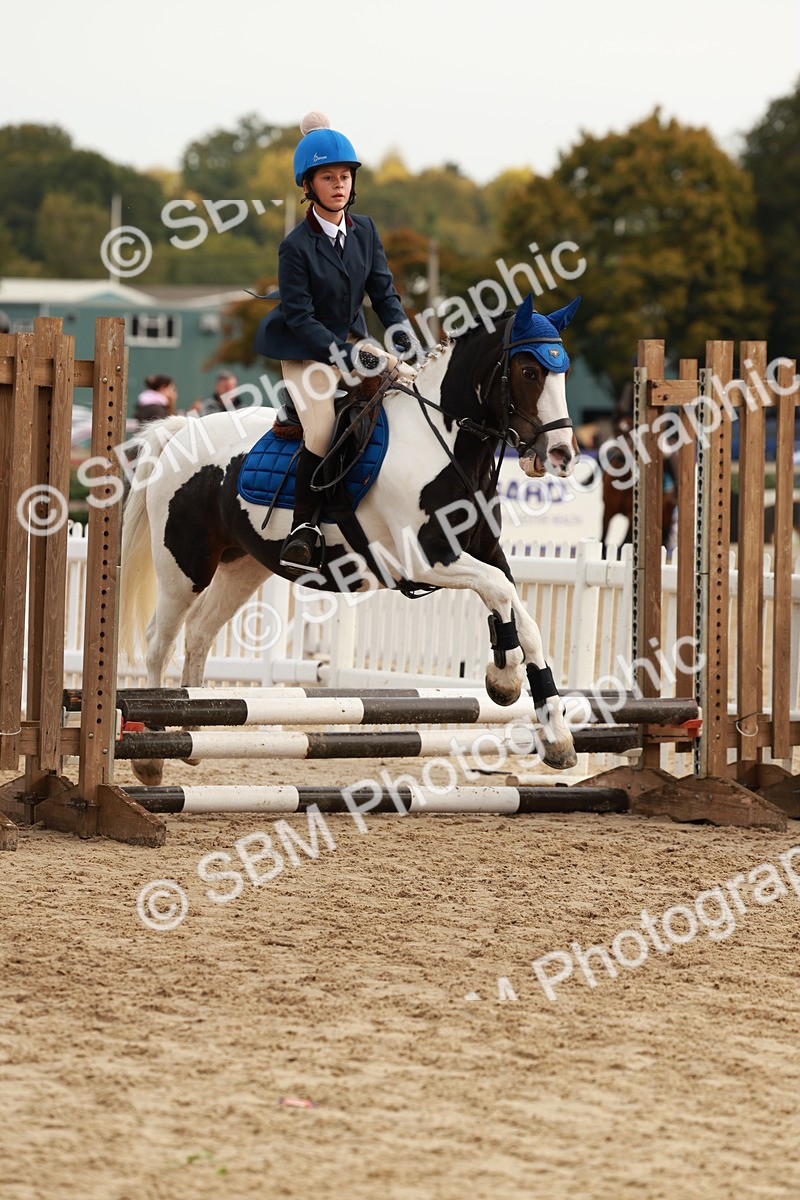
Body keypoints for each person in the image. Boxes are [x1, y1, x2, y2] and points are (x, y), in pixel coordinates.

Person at [254, 111, 417, 572]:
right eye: (328, 177)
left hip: (352, 342)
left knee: (409, 387)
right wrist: (345, 356)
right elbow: (302, 319)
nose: (339, 185)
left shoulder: (365, 230)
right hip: (306, 351)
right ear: (308, 185)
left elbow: (384, 295)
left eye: (345, 176)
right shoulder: (295, 246)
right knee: (323, 428)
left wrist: (404, 343)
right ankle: (304, 528)